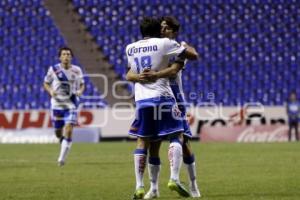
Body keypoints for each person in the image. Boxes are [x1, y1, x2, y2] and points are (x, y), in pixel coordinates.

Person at [125, 17, 198, 199]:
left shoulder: (170, 45)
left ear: (173, 30)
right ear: (158, 30)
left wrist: (148, 75)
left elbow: (175, 69)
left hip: (166, 99)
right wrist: (150, 76)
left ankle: (193, 185)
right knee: (158, 144)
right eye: (161, 27)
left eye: (166, 27)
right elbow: (130, 74)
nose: (164, 30)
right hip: (164, 97)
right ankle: (155, 187)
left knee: (183, 143)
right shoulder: (165, 45)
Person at [44, 47, 85, 166]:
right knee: (58, 132)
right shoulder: (53, 69)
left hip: (71, 104)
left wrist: (80, 92)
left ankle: (61, 159)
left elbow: (82, 85)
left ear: (71, 57)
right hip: (56, 104)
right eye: (64, 54)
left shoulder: (77, 70)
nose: (66, 56)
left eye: (68, 54)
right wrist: (51, 91)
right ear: (60, 57)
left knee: (69, 129)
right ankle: (62, 140)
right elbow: (46, 83)